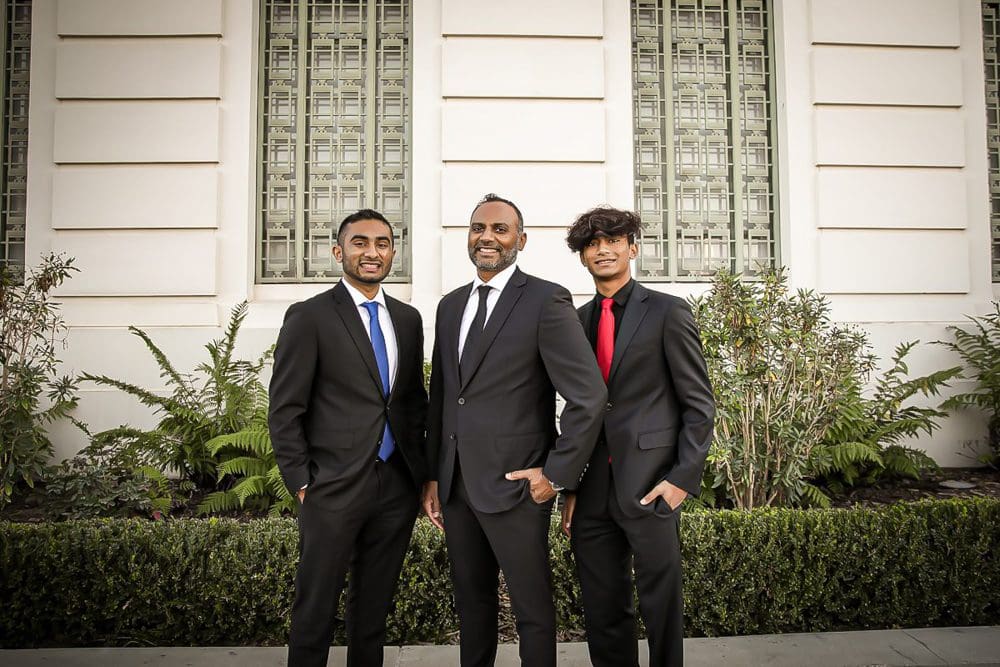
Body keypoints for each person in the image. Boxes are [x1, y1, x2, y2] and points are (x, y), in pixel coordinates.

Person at [421, 193, 607, 667]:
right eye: (478, 228)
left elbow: (588, 396)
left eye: (500, 229)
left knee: (532, 611)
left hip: (519, 486)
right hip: (458, 485)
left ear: (520, 240)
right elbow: (444, 397)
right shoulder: (449, 306)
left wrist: (556, 473)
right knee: (472, 604)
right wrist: (434, 476)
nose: (488, 237)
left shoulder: (546, 299)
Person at [269, 209, 429, 667]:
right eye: (359, 242)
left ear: (392, 253)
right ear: (339, 251)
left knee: (373, 609)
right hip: (331, 485)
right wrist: (301, 480)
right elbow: (285, 408)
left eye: (381, 243)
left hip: (395, 484)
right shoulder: (310, 317)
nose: (371, 252)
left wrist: (422, 474)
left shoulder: (408, 319)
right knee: (315, 606)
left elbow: (412, 401)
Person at [561, 207, 715, 667]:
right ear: (583, 256)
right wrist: (570, 485)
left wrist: (682, 479)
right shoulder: (574, 320)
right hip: (592, 491)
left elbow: (699, 403)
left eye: (613, 240)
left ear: (633, 247)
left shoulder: (667, 311)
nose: (603, 249)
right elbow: (578, 407)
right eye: (592, 243)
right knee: (603, 607)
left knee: (661, 605)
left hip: (653, 485)